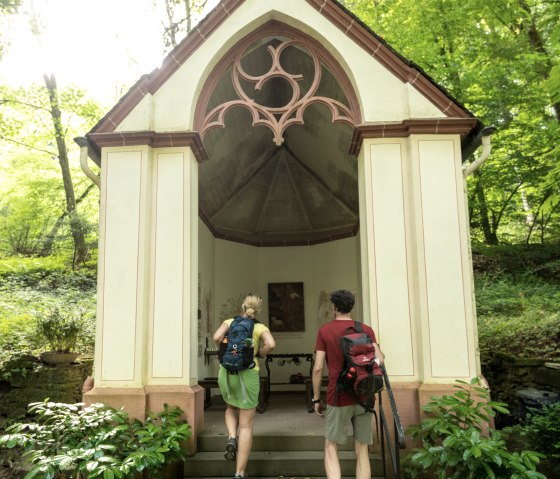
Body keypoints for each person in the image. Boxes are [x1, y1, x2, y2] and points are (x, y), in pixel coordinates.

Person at [311, 289, 384, 479]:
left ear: (334, 307)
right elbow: (380, 360)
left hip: (338, 395)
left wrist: (316, 398)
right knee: (362, 448)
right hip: (364, 394)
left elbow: (318, 368)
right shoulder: (365, 329)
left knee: (331, 446)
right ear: (351, 307)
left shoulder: (325, 330)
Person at [213, 293, 276, 479]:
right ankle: (239, 472)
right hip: (248, 374)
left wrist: (226, 348)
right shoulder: (259, 326)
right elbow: (271, 344)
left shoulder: (229, 321)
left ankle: (231, 437)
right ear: (257, 310)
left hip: (226, 372)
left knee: (230, 407)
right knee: (246, 425)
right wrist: (260, 354)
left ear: (242, 306)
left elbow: (217, 337)